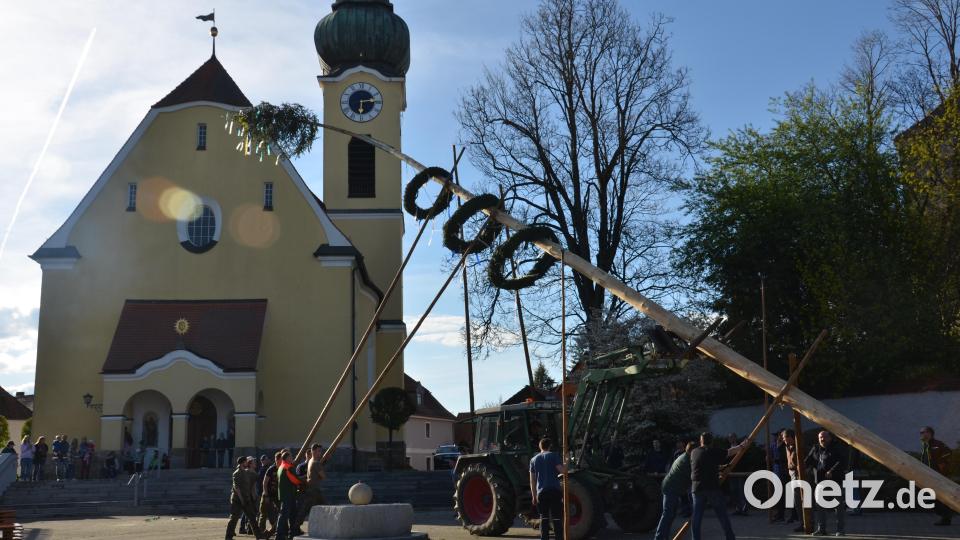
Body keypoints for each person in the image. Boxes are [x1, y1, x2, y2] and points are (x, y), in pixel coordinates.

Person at [690, 432, 746, 540]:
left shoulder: (694, 452)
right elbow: (730, 452)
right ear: (711, 442)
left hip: (696, 487)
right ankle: (730, 537)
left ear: (700, 441)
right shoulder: (713, 451)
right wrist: (742, 445)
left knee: (696, 517)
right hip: (711, 487)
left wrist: (719, 468)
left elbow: (703, 465)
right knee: (722, 515)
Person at [804, 431, 846, 536]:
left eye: (824, 437)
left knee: (838, 507)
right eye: (820, 437)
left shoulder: (836, 447)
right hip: (820, 481)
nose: (822, 439)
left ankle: (840, 530)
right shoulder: (815, 448)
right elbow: (807, 461)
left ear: (829, 438)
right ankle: (821, 529)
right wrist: (800, 467)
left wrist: (832, 470)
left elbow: (841, 461)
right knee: (820, 506)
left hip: (835, 481)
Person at [653, 441, 695, 540]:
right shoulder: (686, 461)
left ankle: (663, 537)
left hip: (672, 488)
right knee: (667, 514)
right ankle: (658, 538)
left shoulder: (685, 457)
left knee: (670, 515)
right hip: (671, 489)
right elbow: (694, 475)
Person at [529, 438, 566, 540]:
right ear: (550, 446)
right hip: (554, 491)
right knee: (556, 518)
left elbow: (532, 480)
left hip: (541, 492)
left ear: (540, 447)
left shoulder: (533, 460)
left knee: (544, 518)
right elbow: (562, 471)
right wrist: (566, 464)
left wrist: (534, 496)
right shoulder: (554, 456)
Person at [920, 426, 953, 526]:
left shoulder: (937, 444)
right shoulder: (925, 446)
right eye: (920, 433)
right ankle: (946, 516)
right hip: (929, 475)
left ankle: (946, 517)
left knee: (938, 498)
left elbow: (948, 452)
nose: (921, 434)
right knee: (930, 498)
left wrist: (940, 462)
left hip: (938, 475)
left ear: (929, 433)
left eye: (922, 432)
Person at [226, 456, 265, 539]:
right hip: (237, 500)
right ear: (243, 463)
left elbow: (252, 481)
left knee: (252, 517)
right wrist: (241, 499)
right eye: (246, 461)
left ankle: (258, 535)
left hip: (246, 499)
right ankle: (228, 536)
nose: (247, 462)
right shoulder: (237, 473)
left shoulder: (246, 473)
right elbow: (237, 488)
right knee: (234, 518)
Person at [296, 444, 327, 530]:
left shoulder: (310, 461)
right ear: (313, 451)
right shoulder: (316, 463)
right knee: (325, 508)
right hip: (314, 490)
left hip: (311, 489)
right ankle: (294, 527)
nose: (320, 453)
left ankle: (295, 527)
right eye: (318, 451)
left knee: (306, 509)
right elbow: (323, 476)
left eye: (321, 451)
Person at [276, 449, 304, 540]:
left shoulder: (281, 467)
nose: (292, 458)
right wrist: (304, 480)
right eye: (291, 457)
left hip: (284, 494)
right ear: (287, 458)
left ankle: (291, 533)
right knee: (285, 515)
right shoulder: (288, 467)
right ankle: (280, 535)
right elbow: (295, 480)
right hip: (289, 495)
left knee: (291, 514)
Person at [781, 430, 802, 529]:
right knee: (796, 500)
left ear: (790, 437)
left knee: (801, 499)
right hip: (791, 473)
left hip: (799, 474)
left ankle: (807, 522)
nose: (783, 440)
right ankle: (801, 521)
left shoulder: (799, 446)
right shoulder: (787, 447)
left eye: (785, 438)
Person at [725, 433, 748, 516]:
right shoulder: (728, 449)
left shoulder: (740, 447)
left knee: (741, 490)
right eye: (729, 438)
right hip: (731, 473)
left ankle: (744, 508)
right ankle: (738, 508)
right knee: (734, 491)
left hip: (740, 472)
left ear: (735, 438)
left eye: (732, 437)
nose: (730, 439)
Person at [259, 452, 281, 537]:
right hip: (267, 494)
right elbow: (264, 483)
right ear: (277, 460)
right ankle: (261, 532)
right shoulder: (271, 469)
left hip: (276, 495)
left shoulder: (282, 469)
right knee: (263, 513)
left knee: (280, 512)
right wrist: (266, 494)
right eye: (278, 459)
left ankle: (274, 530)